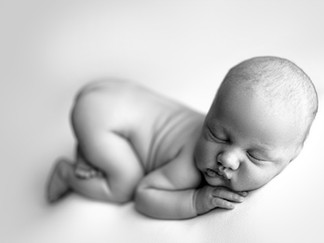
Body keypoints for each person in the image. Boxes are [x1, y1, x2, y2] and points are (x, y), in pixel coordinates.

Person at [47, 56, 318, 219]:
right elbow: (144, 195)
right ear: (210, 114)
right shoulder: (188, 168)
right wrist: (196, 201)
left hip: (117, 94)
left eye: (254, 155)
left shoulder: (241, 127)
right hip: (100, 117)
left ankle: (90, 152)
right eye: (217, 134)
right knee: (124, 185)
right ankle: (67, 173)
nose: (227, 158)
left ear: (293, 156)